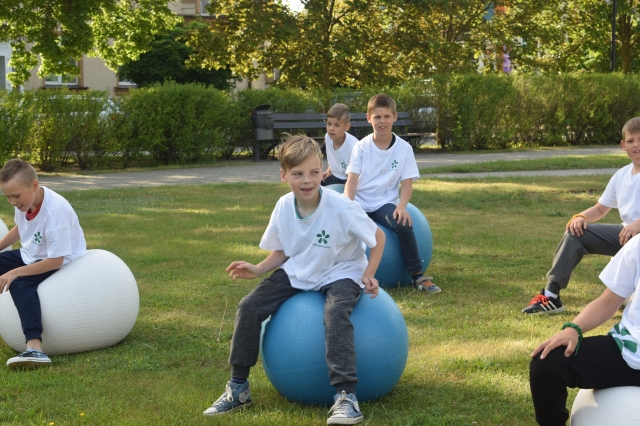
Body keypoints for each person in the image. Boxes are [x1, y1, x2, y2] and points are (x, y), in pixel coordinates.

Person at [203, 135, 385, 425]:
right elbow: (284, 250)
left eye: (314, 172)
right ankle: (238, 389)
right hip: (301, 269)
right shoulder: (284, 206)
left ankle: (346, 397)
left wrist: (368, 273)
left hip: (342, 269)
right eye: (298, 174)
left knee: (335, 312)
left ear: (322, 172)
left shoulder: (341, 206)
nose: (307, 180)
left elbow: (378, 237)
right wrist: (258, 268)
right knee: (249, 306)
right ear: (284, 176)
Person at [523, 117, 640, 314]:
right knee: (575, 233)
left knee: (627, 302)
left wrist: (638, 224)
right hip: (625, 236)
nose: (636, 145)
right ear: (623, 145)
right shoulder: (621, 175)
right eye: (631, 140)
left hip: (636, 235)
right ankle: (551, 297)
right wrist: (581, 217)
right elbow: (600, 209)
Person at [529, 234, 640, 426]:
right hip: (629, 350)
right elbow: (608, 301)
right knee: (547, 363)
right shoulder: (638, 245)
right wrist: (573, 329)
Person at [344, 93, 440, 293]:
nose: (382, 121)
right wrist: (346, 206)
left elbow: (406, 184)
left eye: (387, 116)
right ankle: (340, 276)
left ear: (394, 117)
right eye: (377, 117)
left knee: (403, 224)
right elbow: (352, 181)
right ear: (368, 118)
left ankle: (417, 276)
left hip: (383, 203)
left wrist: (402, 206)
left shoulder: (404, 149)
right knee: (343, 229)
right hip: (360, 201)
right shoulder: (361, 147)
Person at [0, 159, 87, 369]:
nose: (12, 201)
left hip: (58, 260)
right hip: (32, 254)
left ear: (34, 185)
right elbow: (20, 228)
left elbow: (56, 261)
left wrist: (15, 272)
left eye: (16, 196)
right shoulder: (25, 201)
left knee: (19, 284)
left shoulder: (55, 212)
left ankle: (35, 348)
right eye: (7, 197)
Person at [322, 103, 359, 186]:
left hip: (350, 180)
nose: (331, 128)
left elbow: (357, 176)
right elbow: (335, 157)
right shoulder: (328, 137)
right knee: (313, 184)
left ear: (347, 126)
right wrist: (330, 170)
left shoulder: (353, 147)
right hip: (335, 176)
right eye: (329, 123)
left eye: (337, 125)